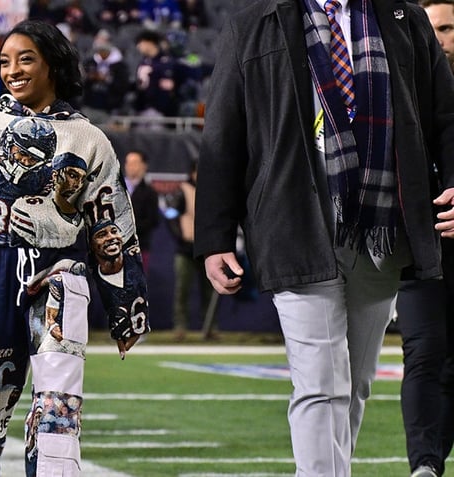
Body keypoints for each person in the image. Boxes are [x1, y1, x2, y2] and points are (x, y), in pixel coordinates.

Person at [193, 0, 454, 475]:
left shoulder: (404, 18)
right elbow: (221, 139)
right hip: (294, 222)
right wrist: (214, 237)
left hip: (381, 229)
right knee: (319, 384)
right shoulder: (252, 26)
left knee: (353, 383)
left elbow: (446, 117)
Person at [0, 19, 149, 477]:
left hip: (62, 283)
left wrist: (125, 304)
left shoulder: (89, 140)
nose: (13, 70)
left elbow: (112, 226)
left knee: (56, 430)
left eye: (25, 58)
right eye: (5, 61)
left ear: (53, 64)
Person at [396, 3, 454, 476]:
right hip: (421, 243)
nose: (442, 39)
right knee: (424, 348)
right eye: (435, 28)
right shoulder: (397, 87)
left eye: (450, 29)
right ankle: (425, 467)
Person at [169, 161, 215, 341]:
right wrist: (180, 235)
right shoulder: (183, 190)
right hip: (185, 248)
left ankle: (209, 327)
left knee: (209, 290)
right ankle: (180, 327)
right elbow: (170, 214)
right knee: (182, 289)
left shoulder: (211, 191)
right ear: (193, 172)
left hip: (206, 249)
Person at [123, 150, 159, 270]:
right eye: (128, 163)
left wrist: (129, 229)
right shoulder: (115, 189)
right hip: (114, 249)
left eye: (134, 163)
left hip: (139, 247)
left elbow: (152, 220)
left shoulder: (150, 193)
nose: (130, 166)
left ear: (144, 166)